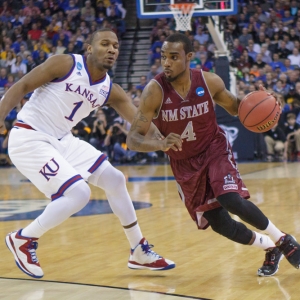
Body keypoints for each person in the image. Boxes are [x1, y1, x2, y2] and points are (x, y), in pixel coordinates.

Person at [0, 28, 175, 279]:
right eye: (105, 44)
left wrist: (164, 140)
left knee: (115, 180)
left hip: (63, 140)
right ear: (90, 48)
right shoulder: (65, 63)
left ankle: (138, 250)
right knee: (79, 193)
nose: (112, 49)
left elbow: (140, 123)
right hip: (30, 136)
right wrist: (1, 112)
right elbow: (24, 84)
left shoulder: (110, 90)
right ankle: (23, 239)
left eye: (115, 46)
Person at [127, 32, 300, 277]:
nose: (166, 62)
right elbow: (132, 139)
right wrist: (160, 143)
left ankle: (283, 240)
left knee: (229, 197)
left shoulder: (209, 81)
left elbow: (238, 108)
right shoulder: (154, 91)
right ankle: (271, 247)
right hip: (184, 164)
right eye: (164, 56)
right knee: (220, 224)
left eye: (173, 57)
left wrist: (265, 102)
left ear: (189, 57)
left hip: (213, 149)